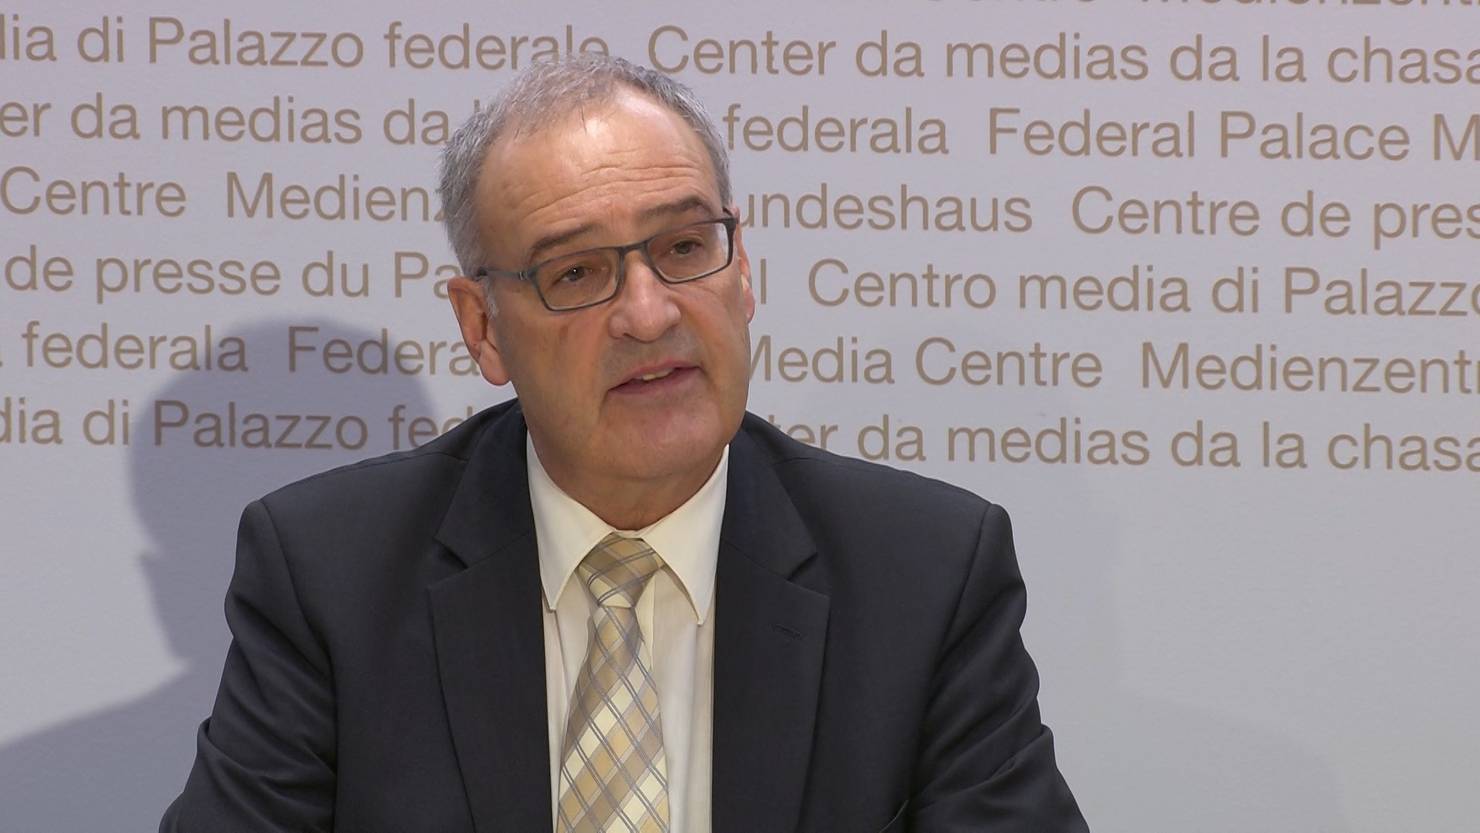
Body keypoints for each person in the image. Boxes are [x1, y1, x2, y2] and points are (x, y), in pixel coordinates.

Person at [160, 55, 1089, 833]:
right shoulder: (332, 574)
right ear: (482, 326)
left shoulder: (924, 572)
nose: (648, 314)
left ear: (743, 272)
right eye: (576, 273)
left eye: (685, 248)